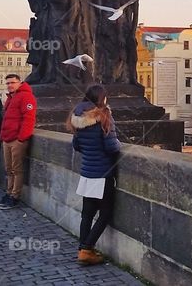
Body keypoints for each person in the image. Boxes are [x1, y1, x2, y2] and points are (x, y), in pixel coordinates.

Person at [68, 84, 121, 265]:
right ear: (101, 99)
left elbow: (76, 145)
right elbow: (111, 147)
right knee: (105, 213)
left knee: (87, 214)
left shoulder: (78, 117)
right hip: (103, 173)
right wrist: (119, 144)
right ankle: (87, 250)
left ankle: (82, 247)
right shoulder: (104, 116)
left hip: (87, 172)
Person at [0, 74, 36, 210]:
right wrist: (3, 135)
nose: (10, 85)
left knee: (16, 169)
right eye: (7, 83)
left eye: (12, 82)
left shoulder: (26, 96)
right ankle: (8, 193)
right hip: (7, 138)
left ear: (20, 83)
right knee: (9, 169)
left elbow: (29, 118)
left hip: (17, 140)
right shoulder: (10, 98)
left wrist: (21, 138)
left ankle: (15, 196)